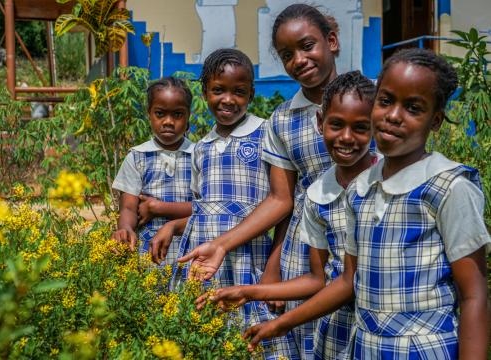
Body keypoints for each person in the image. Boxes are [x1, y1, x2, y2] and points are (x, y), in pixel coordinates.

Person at [243, 48, 491, 359]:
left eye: (413, 108)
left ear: (436, 120)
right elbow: (348, 280)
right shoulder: (360, 190)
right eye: (385, 101)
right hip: (366, 347)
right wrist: (282, 323)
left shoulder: (449, 186)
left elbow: (473, 295)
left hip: (425, 348)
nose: (393, 115)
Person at [176, 4, 340, 357]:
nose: (299, 59)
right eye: (286, 54)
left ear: (332, 41)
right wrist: (233, 249)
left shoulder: (373, 99)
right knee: (307, 340)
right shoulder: (283, 121)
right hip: (305, 249)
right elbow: (283, 200)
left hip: (366, 237)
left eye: (307, 46)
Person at [198, 71, 378, 359]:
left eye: (360, 127)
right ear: (320, 124)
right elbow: (321, 280)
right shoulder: (317, 195)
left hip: (386, 327)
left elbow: (349, 280)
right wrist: (252, 291)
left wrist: (278, 319)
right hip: (335, 325)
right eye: (336, 124)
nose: (346, 137)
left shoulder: (389, 184)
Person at [151, 48, 299, 359]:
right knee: (204, 334)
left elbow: (283, 206)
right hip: (206, 264)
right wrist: (172, 226)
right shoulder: (201, 147)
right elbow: (204, 210)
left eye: (239, 92)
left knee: (254, 339)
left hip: (250, 261)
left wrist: (274, 267)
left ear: (251, 93)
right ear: (204, 91)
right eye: (218, 90)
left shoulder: (266, 133)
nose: (228, 99)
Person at [111, 76, 194, 265]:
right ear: (149, 114)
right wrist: (125, 228)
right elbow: (128, 208)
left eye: (178, 114)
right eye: (160, 113)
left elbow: (205, 207)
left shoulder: (200, 155)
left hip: (190, 249)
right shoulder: (137, 157)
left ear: (188, 116)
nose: (168, 121)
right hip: (149, 253)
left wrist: (158, 208)